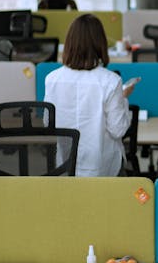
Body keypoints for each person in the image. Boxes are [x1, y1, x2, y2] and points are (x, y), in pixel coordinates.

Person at [44, 13, 134, 176]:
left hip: (65, 167)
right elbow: (118, 129)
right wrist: (123, 99)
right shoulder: (111, 81)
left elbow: (47, 123)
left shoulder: (52, 79)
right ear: (100, 43)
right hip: (103, 169)